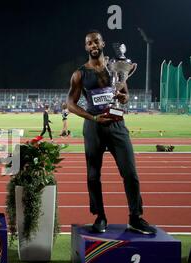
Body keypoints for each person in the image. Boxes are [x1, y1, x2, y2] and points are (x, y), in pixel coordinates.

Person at [66, 30, 156, 234]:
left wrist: (124, 98)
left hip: (117, 124)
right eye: (89, 43)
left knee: (130, 173)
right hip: (94, 125)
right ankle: (100, 217)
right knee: (93, 175)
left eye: (96, 41)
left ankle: (135, 217)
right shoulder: (80, 73)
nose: (93, 45)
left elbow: (123, 91)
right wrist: (94, 118)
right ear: (86, 47)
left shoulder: (115, 67)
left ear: (103, 43)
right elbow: (70, 104)